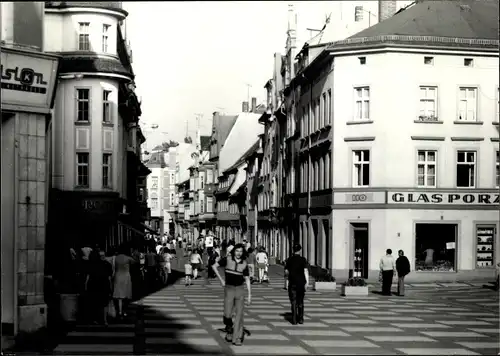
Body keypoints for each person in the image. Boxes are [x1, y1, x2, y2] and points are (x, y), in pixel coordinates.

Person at [212, 243, 251, 346]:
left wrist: (249, 295)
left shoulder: (244, 263)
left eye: (241, 251)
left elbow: (247, 279)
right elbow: (214, 266)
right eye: (237, 251)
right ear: (234, 251)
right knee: (227, 314)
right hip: (229, 289)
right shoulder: (227, 259)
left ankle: (237, 338)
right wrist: (221, 280)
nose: (239, 253)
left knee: (239, 314)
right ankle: (229, 329)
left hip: (240, 290)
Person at [86, 248, 113, 325]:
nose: (102, 257)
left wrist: (86, 286)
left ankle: (96, 319)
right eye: (101, 255)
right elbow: (109, 277)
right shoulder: (107, 265)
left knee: (95, 303)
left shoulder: (93, 265)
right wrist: (111, 287)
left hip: (94, 286)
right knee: (104, 303)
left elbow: (88, 276)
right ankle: (104, 320)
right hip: (104, 285)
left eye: (103, 255)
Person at [284, 244, 309, 325]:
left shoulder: (289, 260)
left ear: (293, 250)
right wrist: (307, 283)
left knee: (293, 302)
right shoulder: (303, 259)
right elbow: (305, 271)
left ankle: (294, 320)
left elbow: (286, 273)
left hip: (292, 283)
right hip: (301, 283)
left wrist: (286, 283)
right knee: (300, 301)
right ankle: (301, 319)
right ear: (300, 250)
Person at [113, 245, 135, 318]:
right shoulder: (128, 258)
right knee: (126, 295)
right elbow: (134, 262)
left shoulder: (116, 258)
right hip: (126, 276)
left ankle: (119, 311)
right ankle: (124, 311)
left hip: (118, 276)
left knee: (119, 295)